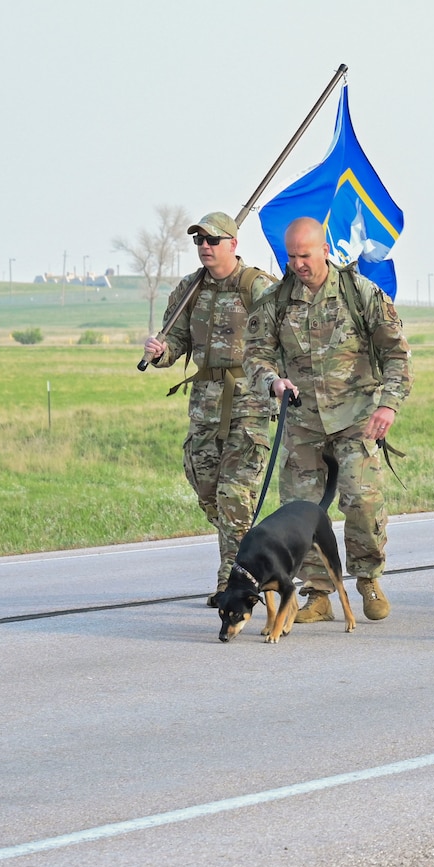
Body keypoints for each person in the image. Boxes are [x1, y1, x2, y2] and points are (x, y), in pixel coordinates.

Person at [243, 216, 413, 623]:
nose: (298, 263)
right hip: (302, 422)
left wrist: (388, 404)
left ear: (324, 250)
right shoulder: (274, 301)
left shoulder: (361, 294)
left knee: (360, 498)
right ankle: (316, 593)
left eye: (305, 254)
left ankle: (368, 579)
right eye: (291, 256)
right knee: (299, 512)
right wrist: (273, 382)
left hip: (356, 417)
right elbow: (254, 356)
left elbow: (396, 354)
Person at [142, 211, 278, 601]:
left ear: (233, 244)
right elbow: (177, 341)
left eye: (212, 241)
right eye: (199, 241)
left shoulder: (258, 287)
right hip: (204, 405)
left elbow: (282, 337)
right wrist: (161, 351)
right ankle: (254, 548)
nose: (205, 247)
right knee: (208, 491)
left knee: (234, 495)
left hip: (248, 403)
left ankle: (230, 583)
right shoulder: (189, 290)